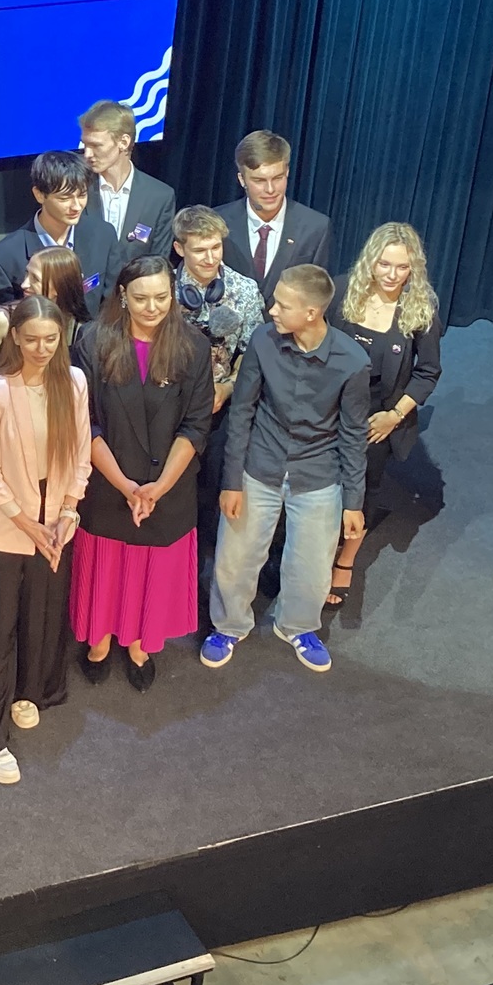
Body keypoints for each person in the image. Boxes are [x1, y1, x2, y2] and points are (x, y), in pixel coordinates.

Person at [201, 264, 370, 675]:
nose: (272, 310)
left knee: (312, 565)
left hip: (318, 473)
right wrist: (231, 480)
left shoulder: (353, 361)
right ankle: (228, 626)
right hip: (261, 463)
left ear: (312, 312)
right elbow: (242, 413)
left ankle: (298, 626)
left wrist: (353, 501)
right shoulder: (263, 340)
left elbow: (352, 435)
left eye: (282, 304)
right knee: (235, 556)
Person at [70, 256, 214, 691]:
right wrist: (127, 487)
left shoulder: (194, 346)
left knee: (150, 572)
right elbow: (85, 424)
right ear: (122, 297)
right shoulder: (92, 341)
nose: (152, 308)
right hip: (108, 484)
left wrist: (157, 488)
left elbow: (195, 426)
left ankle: (139, 644)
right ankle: (98, 641)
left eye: (161, 297)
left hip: (168, 487)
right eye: (141, 298)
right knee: (107, 570)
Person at [0, 295, 92, 785]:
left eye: (51, 339)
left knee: (43, 614)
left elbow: (80, 455)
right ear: (15, 338)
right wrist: (28, 524)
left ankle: (30, 692)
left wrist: (67, 512)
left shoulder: (74, 382)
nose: (42, 348)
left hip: (56, 519)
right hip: (6, 525)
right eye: (32, 339)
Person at [327, 223, 442, 609]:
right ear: (370, 261)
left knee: (364, 486)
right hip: (331, 407)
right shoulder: (341, 291)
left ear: (414, 268)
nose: (392, 275)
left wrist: (394, 415)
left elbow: (428, 372)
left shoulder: (421, 308)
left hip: (379, 417)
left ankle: (344, 561)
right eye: (384, 265)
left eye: (402, 267)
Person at [170, 206, 267, 542]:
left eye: (216, 247)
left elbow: (253, 356)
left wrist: (226, 388)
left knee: (209, 491)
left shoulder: (244, 289)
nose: (210, 258)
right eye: (200, 250)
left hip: (219, 407)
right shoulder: (162, 290)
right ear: (179, 248)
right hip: (169, 406)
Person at [0, 151, 116, 310]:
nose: (76, 206)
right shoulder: (4, 258)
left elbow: (111, 305)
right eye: (64, 198)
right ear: (39, 195)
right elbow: (0, 319)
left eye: (82, 195)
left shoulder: (103, 235)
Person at [213, 131, 332, 298]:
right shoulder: (217, 222)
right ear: (242, 179)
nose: (270, 189)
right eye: (259, 181)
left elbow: (317, 296)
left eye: (277, 178)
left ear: (287, 172)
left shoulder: (315, 228)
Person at [79, 99, 177, 287]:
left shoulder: (159, 197)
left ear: (123, 142)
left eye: (96, 146)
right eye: (85, 145)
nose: (87, 154)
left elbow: (158, 263)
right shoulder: (77, 189)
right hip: (86, 300)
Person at [0, 244, 87, 367]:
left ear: (59, 286)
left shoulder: (79, 328)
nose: (24, 285)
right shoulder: (2, 320)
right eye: (26, 274)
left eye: (35, 279)